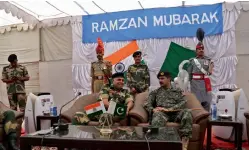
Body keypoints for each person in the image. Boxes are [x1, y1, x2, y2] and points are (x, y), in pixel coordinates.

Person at [144, 71, 192, 150]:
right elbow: (147, 104)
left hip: (175, 113)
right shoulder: (155, 92)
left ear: (169, 79)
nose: (160, 80)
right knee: (157, 115)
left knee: (187, 112)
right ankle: (157, 143)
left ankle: (184, 144)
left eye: (162, 78)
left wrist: (170, 109)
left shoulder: (177, 91)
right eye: (159, 78)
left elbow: (183, 102)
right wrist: (153, 109)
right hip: (162, 114)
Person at [187, 42, 214, 111]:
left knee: (206, 101)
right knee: (196, 102)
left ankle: (206, 116)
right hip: (195, 84)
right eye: (199, 49)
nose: (201, 50)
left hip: (205, 84)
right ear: (196, 51)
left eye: (202, 49)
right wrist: (189, 84)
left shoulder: (208, 60)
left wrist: (211, 66)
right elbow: (189, 74)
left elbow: (209, 73)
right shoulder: (192, 61)